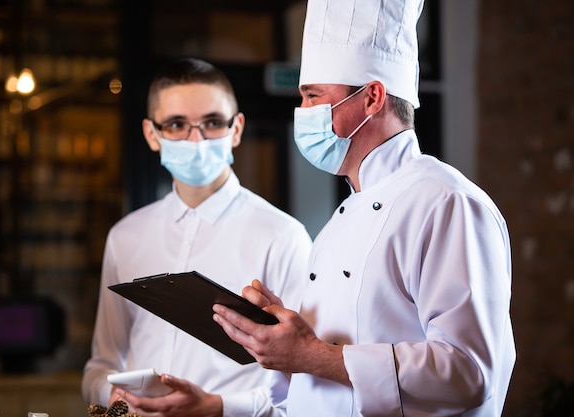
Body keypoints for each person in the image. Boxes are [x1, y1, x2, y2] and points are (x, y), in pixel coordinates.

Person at [213, 0, 516, 416]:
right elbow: (323, 381)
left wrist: (312, 355)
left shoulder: (445, 202)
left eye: (313, 96)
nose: (302, 113)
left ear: (372, 97)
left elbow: (467, 371)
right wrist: (283, 335)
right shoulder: (341, 219)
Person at [82, 58, 312, 416]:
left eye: (212, 123)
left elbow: (303, 384)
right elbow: (102, 364)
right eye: (176, 124)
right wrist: (115, 396)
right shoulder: (125, 237)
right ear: (151, 134)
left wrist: (216, 407)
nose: (196, 139)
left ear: (236, 129)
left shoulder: (283, 236)